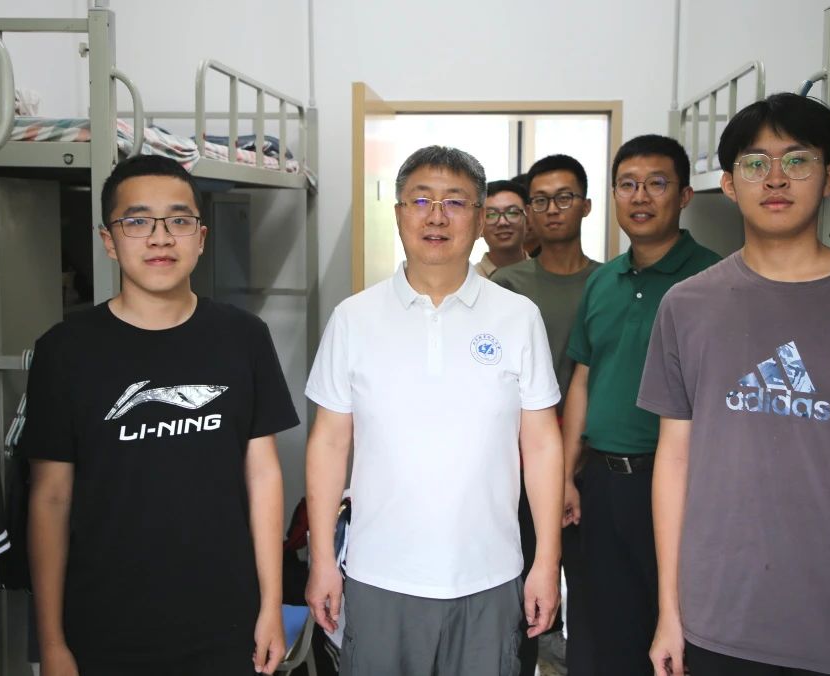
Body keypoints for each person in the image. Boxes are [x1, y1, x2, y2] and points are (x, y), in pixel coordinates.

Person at [639, 93, 830, 676]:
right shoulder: (686, 304)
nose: (776, 179)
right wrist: (669, 613)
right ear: (729, 185)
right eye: (755, 164)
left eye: (797, 160)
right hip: (720, 616)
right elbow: (674, 462)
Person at [24, 155, 299, 675]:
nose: (160, 238)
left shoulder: (243, 337)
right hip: (102, 623)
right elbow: (51, 497)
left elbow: (263, 475)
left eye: (178, 220)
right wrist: (52, 642)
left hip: (225, 619)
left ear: (201, 236)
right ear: (108, 240)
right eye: (137, 221)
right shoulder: (64, 351)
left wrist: (271, 605)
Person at [303, 145, 564, 676]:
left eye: (456, 202)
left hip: (490, 575)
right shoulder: (353, 318)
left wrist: (546, 561)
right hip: (379, 575)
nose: (437, 217)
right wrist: (323, 560)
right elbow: (329, 443)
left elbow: (541, 444)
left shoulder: (518, 317)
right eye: (421, 200)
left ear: (480, 217)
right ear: (399, 213)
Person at [562, 135, 720, 675]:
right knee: (602, 628)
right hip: (602, 483)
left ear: (685, 195)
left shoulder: (715, 281)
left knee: (676, 633)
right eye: (627, 185)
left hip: (678, 485)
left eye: (656, 184)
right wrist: (567, 475)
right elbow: (583, 379)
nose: (640, 197)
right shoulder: (602, 281)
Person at [492, 154, 601, 674]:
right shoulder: (507, 284)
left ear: (585, 205)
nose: (553, 209)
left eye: (564, 198)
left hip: (591, 461)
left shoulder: (608, 281)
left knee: (593, 597)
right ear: (530, 212)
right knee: (520, 600)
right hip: (521, 461)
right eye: (540, 200)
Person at [476, 179, 529, 279]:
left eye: (512, 212)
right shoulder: (465, 282)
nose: (502, 222)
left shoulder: (546, 276)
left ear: (528, 219)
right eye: (491, 214)